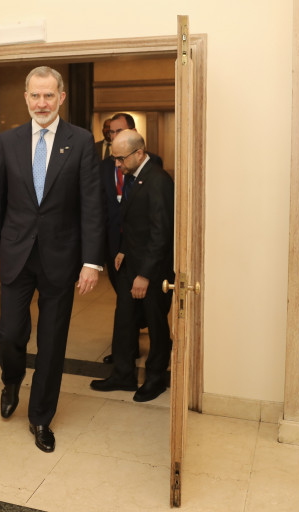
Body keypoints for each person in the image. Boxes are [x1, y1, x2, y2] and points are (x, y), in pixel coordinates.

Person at [0, 66, 104, 453]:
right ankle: (11, 379)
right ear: (25, 98)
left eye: (48, 95)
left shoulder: (81, 141)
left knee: (52, 342)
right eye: (35, 95)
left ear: (61, 97)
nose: (41, 103)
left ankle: (40, 417)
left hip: (61, 257)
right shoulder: (8, 141)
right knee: (9, 334)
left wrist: (91, 262)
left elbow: (91, 206)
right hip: (15, 254)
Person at [90, 129, 174, 403]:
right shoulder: (133, 176)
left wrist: (145, 275)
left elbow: (161, 233)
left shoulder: (158, 181)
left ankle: (155, 378)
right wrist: (124, 250)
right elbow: (133, 220)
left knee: (156, 324)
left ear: (139, 153)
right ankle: (123, 374)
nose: (117, 164)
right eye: (115, 159)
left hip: (153, 270)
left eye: (121, 159)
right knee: (124, 320)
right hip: (131, 262)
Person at [99, 113, 163, 364]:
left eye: (118, 131)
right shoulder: (115, 168)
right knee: (124, 305)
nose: (117, 164)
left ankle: (153, 368)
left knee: (150, 312)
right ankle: (124, 362)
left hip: (145, 253)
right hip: (121, 246)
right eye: (111, 132)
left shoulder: (154, 174)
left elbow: (159, 227)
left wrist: (145, 271)